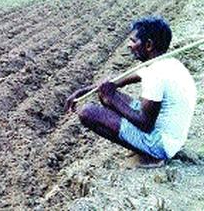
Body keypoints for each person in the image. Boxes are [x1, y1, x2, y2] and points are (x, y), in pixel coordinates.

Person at [64, 16, 197, 168]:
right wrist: (82, 92)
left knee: (87, 112)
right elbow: (116, 81)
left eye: (133, 41)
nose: (129, 45)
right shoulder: (166, 63)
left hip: (162, 145)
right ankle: (142, 148)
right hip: (171, 138)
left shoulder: (156, 75)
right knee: (105, 92)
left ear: (148, 45)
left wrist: (111, 98)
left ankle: (151, 156)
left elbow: (145, 124)